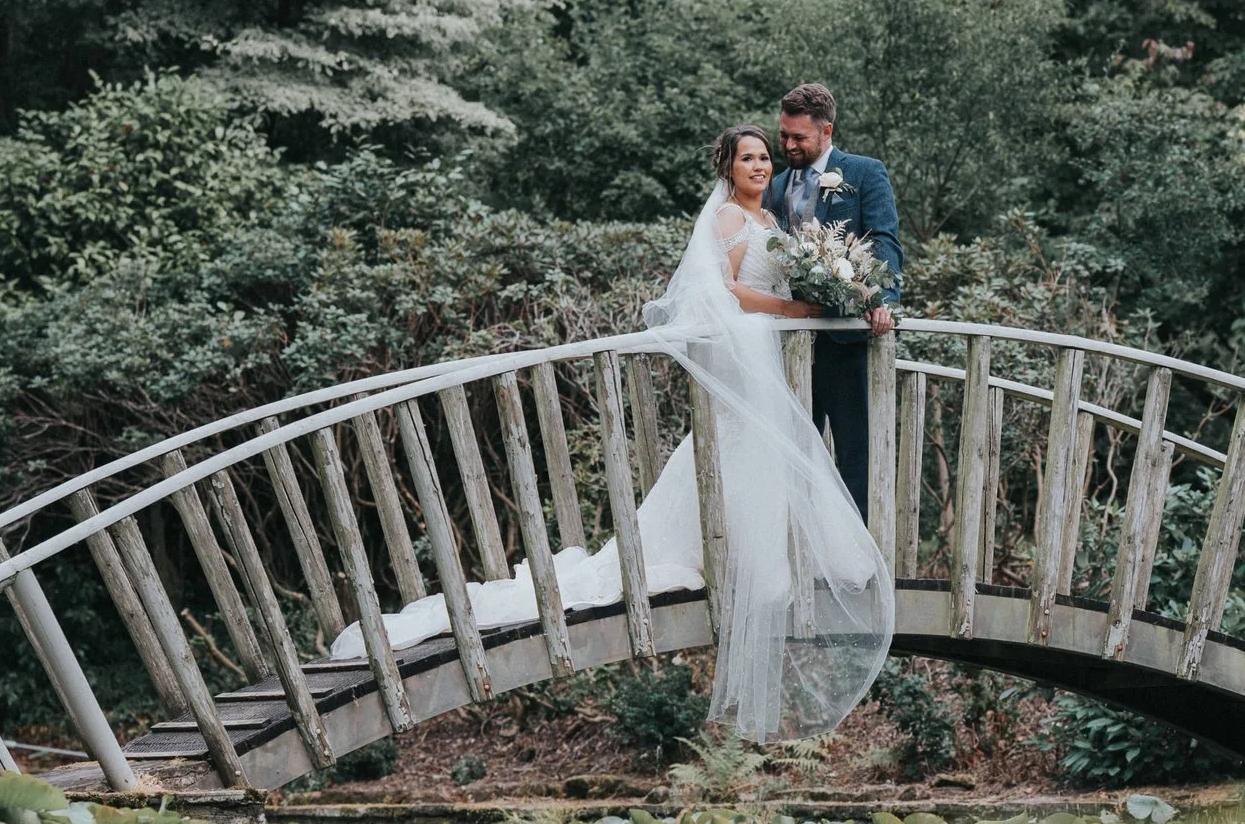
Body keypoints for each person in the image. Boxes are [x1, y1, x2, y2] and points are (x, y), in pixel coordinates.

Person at [331, 125, 892, 742]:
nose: (760, 166)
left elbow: (778, 278)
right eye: (748, 158)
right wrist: (797, 312)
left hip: (767, 361)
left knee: (762, 455)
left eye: (764, 157)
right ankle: (739, 563)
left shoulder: (774, 220)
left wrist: (830, 289)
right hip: (751, 358)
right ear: (728, 168)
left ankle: (761, 561)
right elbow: (727, 292)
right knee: (745, 450)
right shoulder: (730, 221)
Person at [767, 82, 901, 517]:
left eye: (798, 137)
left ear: (826, 131)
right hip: (785, 346)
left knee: (853, 460)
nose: (787, 145)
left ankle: (855, 569)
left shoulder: (863, 173)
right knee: (789, 458)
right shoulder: (774, 183)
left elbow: (884, 240)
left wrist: (880, 299)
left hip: (845, 343)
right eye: (784, 135)